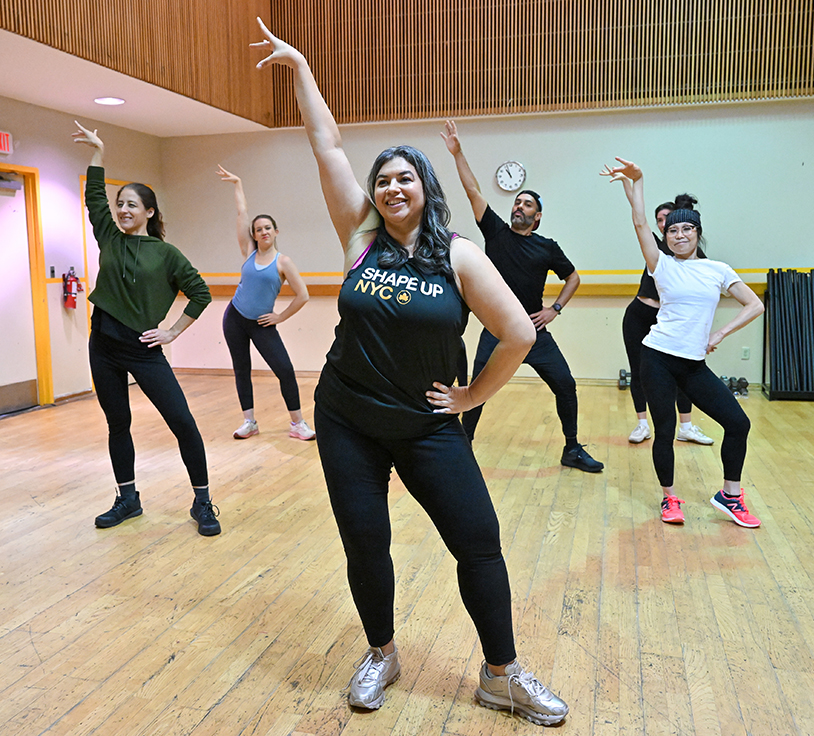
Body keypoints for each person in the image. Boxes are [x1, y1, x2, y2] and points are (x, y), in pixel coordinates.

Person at [251, 19, 569, 726]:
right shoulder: (360, 235)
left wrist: (470, 397)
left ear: (426, 187)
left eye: (405, 178)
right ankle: (382, 652)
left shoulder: (458, 254)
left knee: (478, 544)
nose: (393, 188)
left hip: (428, 425)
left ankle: (501, 674)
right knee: (366, 541)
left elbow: (517, 332)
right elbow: (326, 144)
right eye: (384, 180)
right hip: (347, 416)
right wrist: (302, 65)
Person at [72, 122, 221, 536]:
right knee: (117, 423)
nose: (122, 210)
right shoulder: (110, 238)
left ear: (150, 212)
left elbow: (200, 293)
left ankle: (203, 501)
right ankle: (127, 498)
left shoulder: (167, 254)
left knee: (183, 422)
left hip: (142, 347)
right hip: (101, 343)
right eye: (121, 203)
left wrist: (172, 332)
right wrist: (98, 151)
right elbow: (93, 199)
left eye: (132, 205)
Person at [602, 158, 764, 527]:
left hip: (693, 363)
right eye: (673, 231)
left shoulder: (717, 269)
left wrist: (720, 334)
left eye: (687, 229)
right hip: (656, 357)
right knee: (665, 430)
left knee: (738, 424)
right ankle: (669, 498)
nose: (679, 235)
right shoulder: (660, 263)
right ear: (667, 237)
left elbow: (754, 304)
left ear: (697, 233)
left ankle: (731, 496)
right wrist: (638, 180)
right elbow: (640, 221)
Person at [441, 120, 603, 473]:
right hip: (497, 332)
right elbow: (473, 191)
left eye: (527, 204)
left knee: (566, 385)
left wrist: (554, 309)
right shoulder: (497, 233)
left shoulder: (547, 248)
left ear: (538, 216)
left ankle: (572, 449)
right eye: (516, 202)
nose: (519, 206)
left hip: (535, 334)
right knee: (474, 392)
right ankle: (462, 449)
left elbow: (573, 277)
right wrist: (458, 153)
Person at [215, 165, 314, 441]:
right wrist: (238, 183)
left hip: (261, 322)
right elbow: (241, 213)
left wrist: (280, 317)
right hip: (234, 317)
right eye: (258, 229)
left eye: (267, 228)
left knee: (284, 369)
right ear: (254, 234)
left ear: (276, 231)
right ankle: (249, 422)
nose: (262, 232)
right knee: (241, 369)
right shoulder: (248, 250)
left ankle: (297, 423)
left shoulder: (283, 262)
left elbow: (302, 295)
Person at [623, 195, 713, 446]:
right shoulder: (654, 247)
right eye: (659, 220)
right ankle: (642, 424)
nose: (663, 224)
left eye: (667, 219)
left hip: (668, 320)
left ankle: (686, 426)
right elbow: (638, 218)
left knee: (682, 371)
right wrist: (630, 185)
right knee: (638, 371)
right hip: (639, 314)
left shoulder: (694, 255)